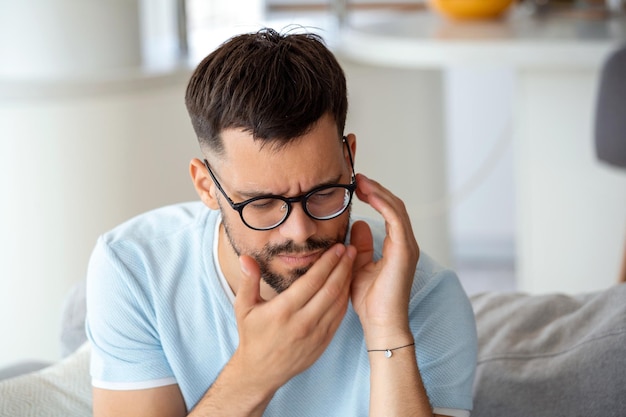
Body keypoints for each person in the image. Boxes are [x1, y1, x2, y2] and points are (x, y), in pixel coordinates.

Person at [85, 28, 477, 417]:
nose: (300, 230)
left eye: (323, 192)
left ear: (349, 159)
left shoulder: (424, 296)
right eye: (263, 203)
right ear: (207, 187)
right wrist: (255, 374)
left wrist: (387, 331)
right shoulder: (134, 269)